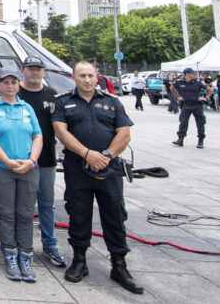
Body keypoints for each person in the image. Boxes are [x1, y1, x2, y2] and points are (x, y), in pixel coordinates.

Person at [52, 62, 143, 295]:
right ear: (74, 77)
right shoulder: (62, 102)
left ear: (96, 77)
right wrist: (87, 154)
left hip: (108, 170)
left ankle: (119, 265)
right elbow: (61, 132)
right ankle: (79, 261)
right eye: (82, 75)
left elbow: (124, 134)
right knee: (78, 213)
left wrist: (106, 156)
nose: (86, 79)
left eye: (90, 75)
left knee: (114, 215)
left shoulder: (112, 102)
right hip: (78, 168)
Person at [0, 65, 42, 282]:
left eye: (14, 82)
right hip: (2, 168)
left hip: (28, 168)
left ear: (19, 84)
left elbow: (38, 136)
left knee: (26, 214)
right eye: (5, 82)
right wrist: (6, 160)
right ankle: (10, 255)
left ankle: (26, 255)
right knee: (6, 213)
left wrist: (32, 160)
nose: (10, 86)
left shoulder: (27, 108)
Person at [18, 55, 66, 269]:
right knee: (21, 206)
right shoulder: (14, 93)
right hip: (19, 159)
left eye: (38, 69)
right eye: (30, 69)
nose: (34, 72)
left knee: (47, 205)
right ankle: (21, 246)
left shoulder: (52, 95)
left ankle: (50, 245)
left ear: (44, 72)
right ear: (23, 71)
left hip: (45, 159)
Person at [170, 67, 209, 148]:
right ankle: (180, 139)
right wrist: (178, 96)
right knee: (183, 122)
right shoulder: (179, 82)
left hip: (197, 105)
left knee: (200, 123)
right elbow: (172, 88)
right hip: (186, 105)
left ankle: (200, 141)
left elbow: (210, 90)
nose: (194, 74)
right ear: (187, 74)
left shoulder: (198, 83)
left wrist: (205, 98)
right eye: (192, 73)